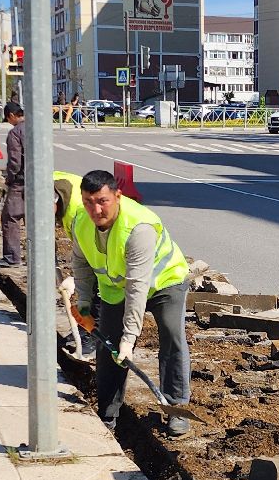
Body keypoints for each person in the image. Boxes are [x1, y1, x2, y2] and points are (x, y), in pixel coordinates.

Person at [68, 169, 192, 435]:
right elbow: (80, 262)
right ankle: (108, 416)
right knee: (108, 347)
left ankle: (176, 406)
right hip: (116, 289)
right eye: (89, 202)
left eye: (103, 201)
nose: (96, 209)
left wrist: (130, 337)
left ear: (117, 196)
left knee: (171, 337)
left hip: (164, 282)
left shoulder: (138, 228)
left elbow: (138, 286)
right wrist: (85, 302)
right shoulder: (81, 221)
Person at [0, 100, 26, 266]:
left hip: (21, 182)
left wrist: (9, 179)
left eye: (8, 119)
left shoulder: (15, 133)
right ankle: (42, 259)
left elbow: (15, 162)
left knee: (10, 218)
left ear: (11, 116)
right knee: (37, 220)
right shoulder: (36, 128)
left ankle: (12, 258)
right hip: (41, 181)